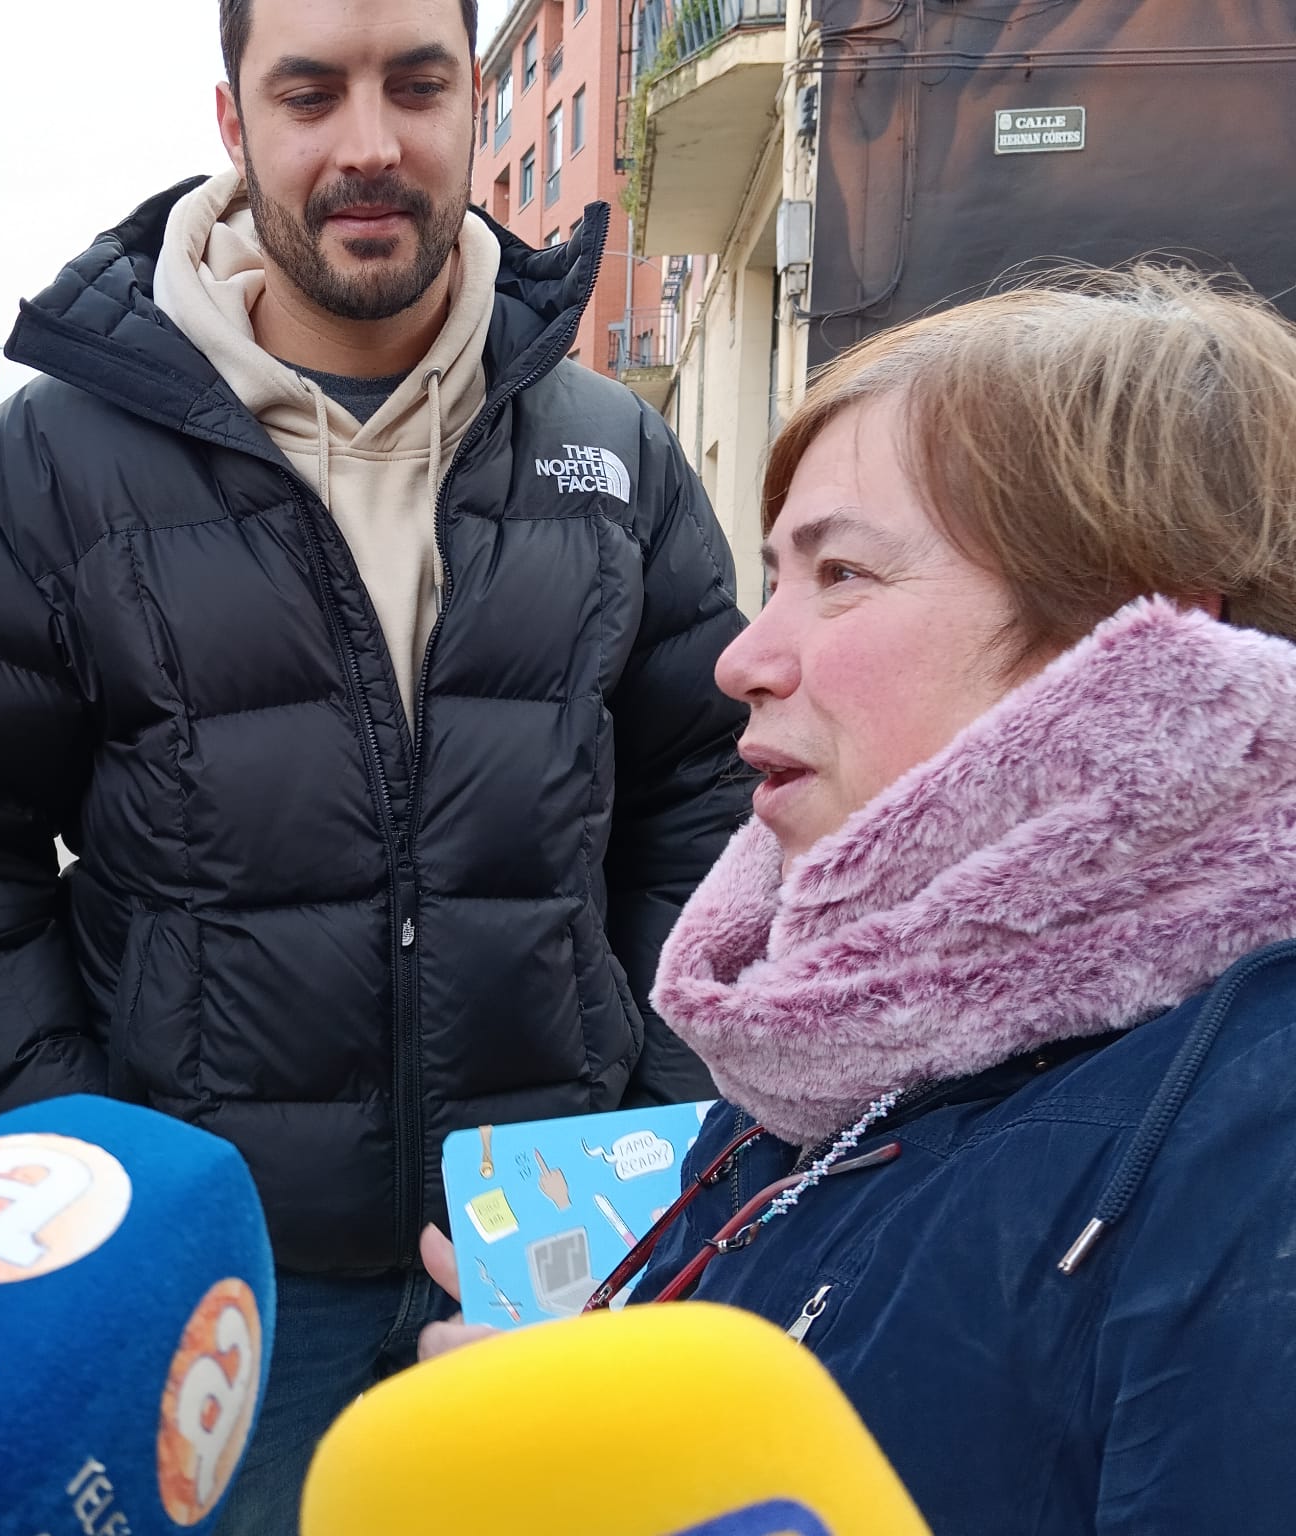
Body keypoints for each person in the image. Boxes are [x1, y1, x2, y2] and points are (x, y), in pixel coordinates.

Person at [0, 0, 748, 1526]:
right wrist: (101, 1160)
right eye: (311, 92)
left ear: (474, 104)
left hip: (555, 1252)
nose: (370, 144)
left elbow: (707, 811)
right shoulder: (56, 466)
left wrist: (651, 1124)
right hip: (224, 1284)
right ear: (232, 120)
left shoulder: (617, 453)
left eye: (417, 85)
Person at [418, 266, 1296, 1533]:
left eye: (841, 575)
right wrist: (593, 1416)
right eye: (776, 576)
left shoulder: (1254, 1150)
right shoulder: (833, 1029)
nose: (742, 658)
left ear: (1151, 643)